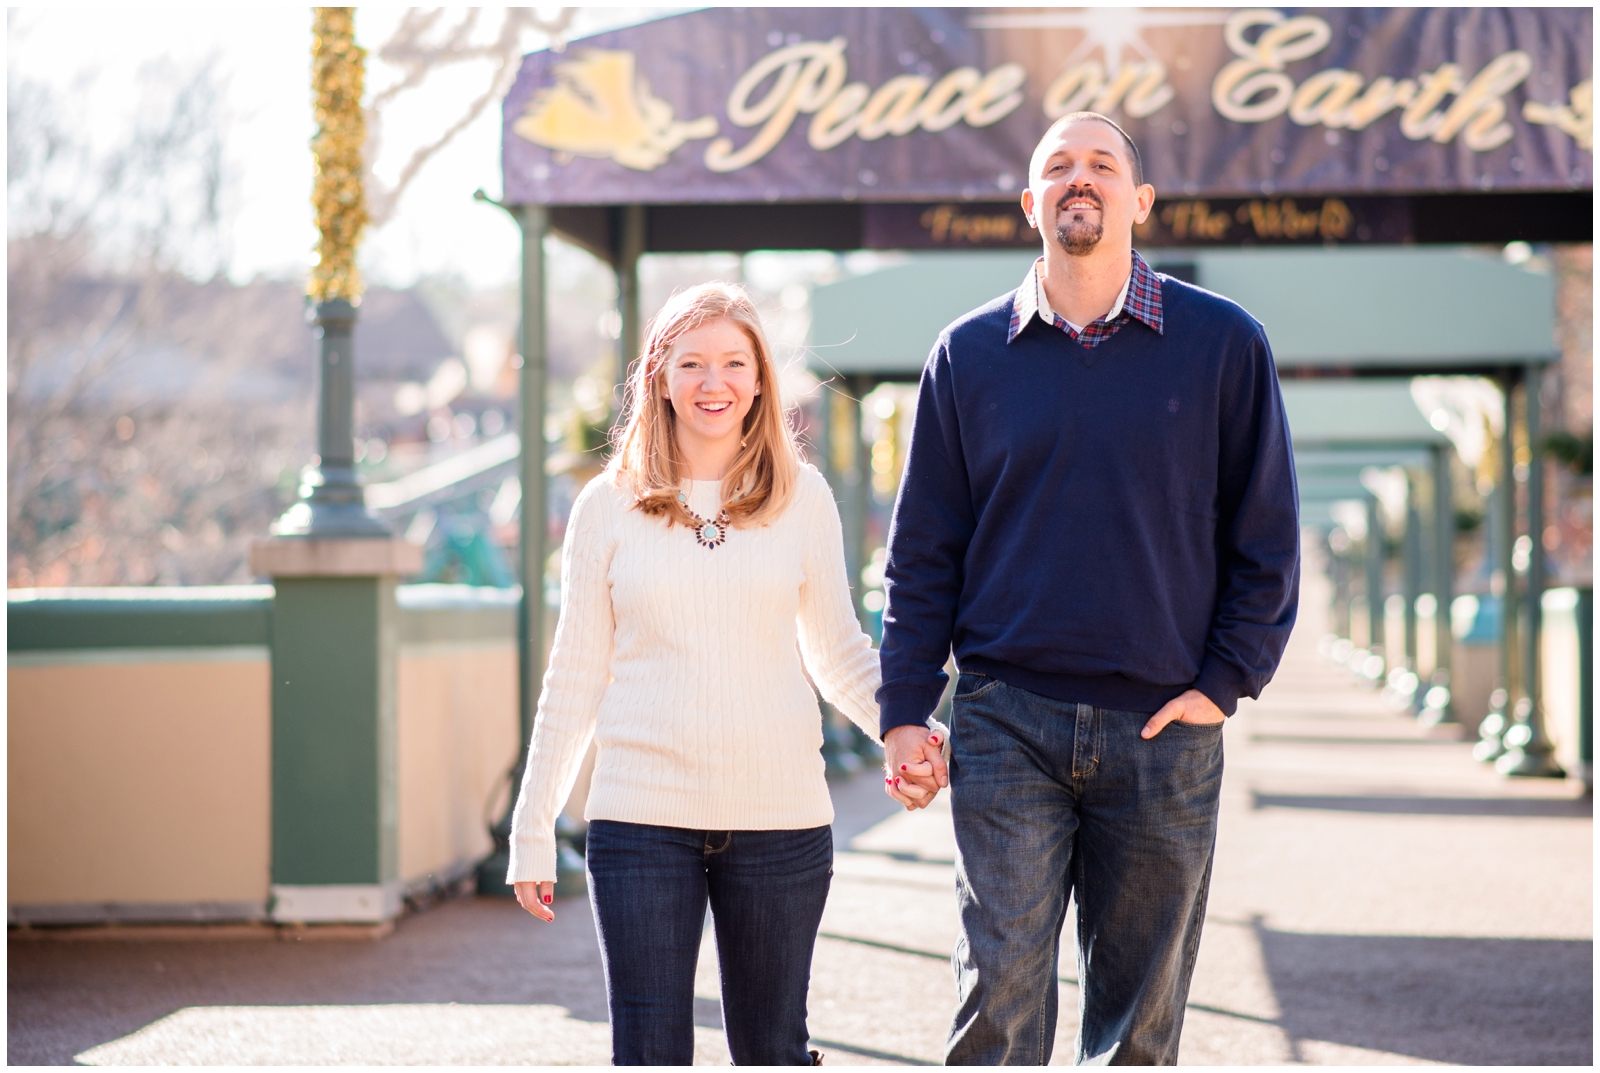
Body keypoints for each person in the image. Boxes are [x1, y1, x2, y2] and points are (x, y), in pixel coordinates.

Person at [877, 112, 1301, 1065]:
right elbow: (923, 553)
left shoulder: (1226, 344)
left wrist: (1224, 681)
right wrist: (906, 705)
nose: (1081, 178)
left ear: (1139, 200)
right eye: (1058, 167)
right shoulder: (966, 355)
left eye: (1102, 164)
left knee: (1136, 1032)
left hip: (1164, 732)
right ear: (1030, 204)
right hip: (1003, 721)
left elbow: (1266, 536)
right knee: (997, 1000)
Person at [505, 282, 930, 1066]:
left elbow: (837, 651)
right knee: (650, 1049)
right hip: (639, 819)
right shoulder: (607, 506)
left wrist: (903, 728)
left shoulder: (805, 499)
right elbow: (573, 676)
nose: (714, 381)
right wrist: (534, 827)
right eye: (693, 362)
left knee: (772, 1048)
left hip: (780, 820)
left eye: (735, 362)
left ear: (761, 379)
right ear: (659, 376)